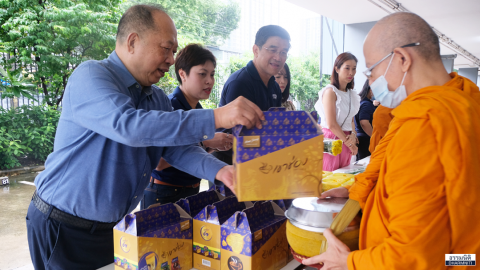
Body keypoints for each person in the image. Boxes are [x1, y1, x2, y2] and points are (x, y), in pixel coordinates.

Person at [26, 5, 265, 269]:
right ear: (132, 42)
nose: (172, 59)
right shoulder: (91, 76)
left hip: (113, 229)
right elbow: (129, 126)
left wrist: (222, 171)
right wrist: (217, 117)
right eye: (166, 48)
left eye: (174, 51)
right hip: (64, 226)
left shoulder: (157, 98)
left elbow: (177, 150)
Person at [307, 12, 480, 269]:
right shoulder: (465, 97)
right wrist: (354, 192)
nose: (371, 81)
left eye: (372, 70)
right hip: (465, 256)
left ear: (401, 59)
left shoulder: (425, 124)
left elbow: (415, 257)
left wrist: (349, 262)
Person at [143, 44, 233, 208]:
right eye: (202, 74)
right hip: (164, 192)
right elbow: (159, 162)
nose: (209, 81)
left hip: (191, 190)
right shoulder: (170, 107)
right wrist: (206, 141)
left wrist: (215, 145)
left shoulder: (198, 110)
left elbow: (195, 152)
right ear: (182, 74)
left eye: (212, 75)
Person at [214, 25, 290, 166]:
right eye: (273, 50)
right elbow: (238, 136)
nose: (278, 57)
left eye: (284, 52)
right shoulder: (240, 82)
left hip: (259, 161)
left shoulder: (274, 87)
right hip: (230, 165)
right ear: (256, 50)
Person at [314, 52, 360, 171]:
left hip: (346, 138)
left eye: (354, 69)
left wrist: (353, 135)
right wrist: (349, 143)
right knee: (329, 178)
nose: (351, 73)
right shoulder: (330, 91)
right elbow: (331, 124)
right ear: (337, 69)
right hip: (332, 139)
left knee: (343, 176)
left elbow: (351, 119)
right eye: (347, 68)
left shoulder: (351, 94)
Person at [353, 80, 376, 160]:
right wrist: (374, 137)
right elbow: (364, 122)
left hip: (361, 139)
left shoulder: (361, 102)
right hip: (366, 140)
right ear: (370, 90)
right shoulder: (366, 104)